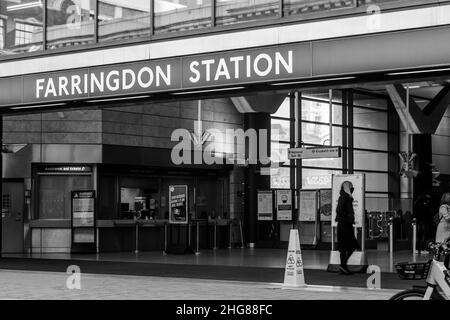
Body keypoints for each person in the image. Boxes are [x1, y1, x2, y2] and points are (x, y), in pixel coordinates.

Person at [335, 181, 360, 275]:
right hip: (345, 225)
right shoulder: (345, 197)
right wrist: (348, 217)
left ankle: (343, 266)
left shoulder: (344, 196)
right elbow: (339, 209)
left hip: (343, 224)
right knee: (352, 246)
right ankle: (343, 265)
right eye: (351, 187)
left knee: (344, 247)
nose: (352, 188)